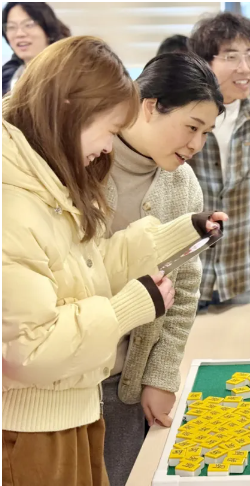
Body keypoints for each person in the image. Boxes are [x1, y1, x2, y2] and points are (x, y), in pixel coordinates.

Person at [1, 36, 226, 486]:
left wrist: (178, 235)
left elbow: (89, 265)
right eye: (191, 127)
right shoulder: (28, 192)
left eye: (206, 133)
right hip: (41, 416)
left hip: (82, 398)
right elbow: (31, 347)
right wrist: (128, 307)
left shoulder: (49, 178)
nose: (107, 147)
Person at [102, 52, 224, 486]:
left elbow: (184, 288)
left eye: (206, 133)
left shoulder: (182, 182)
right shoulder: (84, 160)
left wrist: (160, 374)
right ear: (151, 106)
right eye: (191, 127)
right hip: (62, 381)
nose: (197, 145)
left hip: (126, 382)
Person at [189, 12, 250, 307]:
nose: (245, 67)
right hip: (189, 272)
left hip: (240, 270)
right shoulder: (186, 112)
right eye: (231, 57)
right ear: (205, 61)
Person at [1, 2, 70, 95]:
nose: (19, 34)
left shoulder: (70, 74)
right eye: (11, 27)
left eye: (29, 25)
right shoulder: (6, 78)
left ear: (48, 30)